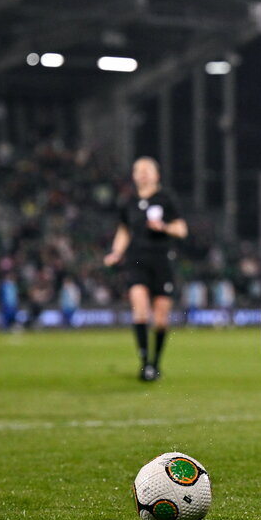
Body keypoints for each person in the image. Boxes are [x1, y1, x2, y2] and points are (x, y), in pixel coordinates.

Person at [104, 157, 188, 381]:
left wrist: (165, 227)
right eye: (138, 170)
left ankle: (155, 362)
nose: (142, 174)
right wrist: (116, 253)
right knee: (140, 308)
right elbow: (124, 230)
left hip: (162, 260)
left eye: (147, 170)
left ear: (156, 175)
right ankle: (144, 364)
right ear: (133, 175)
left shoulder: (167, 198)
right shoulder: (128, 201)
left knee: (161, 318)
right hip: (137, 260)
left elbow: (182, 229)